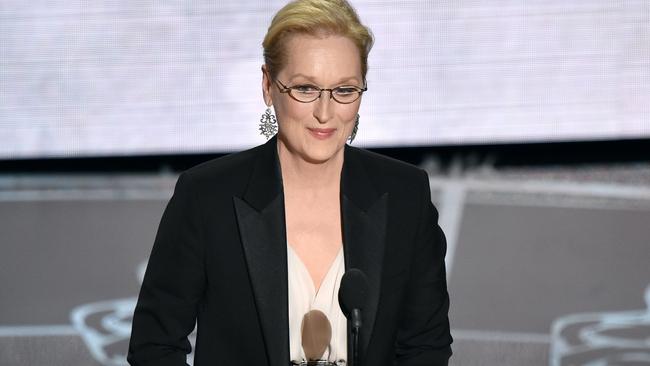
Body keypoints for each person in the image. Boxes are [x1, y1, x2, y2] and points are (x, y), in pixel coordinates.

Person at [127, 0, 453, 365]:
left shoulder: (406, 195)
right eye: (305, 89)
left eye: (344, 90)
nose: (325, 112)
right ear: (268, 86)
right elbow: (154, 347)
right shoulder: (206, 198)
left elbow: (427, 347)